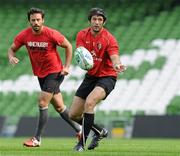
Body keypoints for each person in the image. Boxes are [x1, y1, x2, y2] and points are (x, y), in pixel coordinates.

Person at [7, 7, 81, 147]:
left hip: (55, 72)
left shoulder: (51, 33)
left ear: (43, 20)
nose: (36, 22)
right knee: (59, 107)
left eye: (38, 20)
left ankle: (37, 139)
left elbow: (68, 46)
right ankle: (80, 129)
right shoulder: (24, 35)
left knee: (42, 102)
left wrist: (66, 66)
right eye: (33, 20)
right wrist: (11, 57)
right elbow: (12, 49)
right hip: (41, 74)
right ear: (29, 21)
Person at [69, 7, 126, 151]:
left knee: (90, 103)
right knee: (73, 114)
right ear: (90, 21)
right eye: (94, 19)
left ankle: (80, 144)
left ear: (104, 22)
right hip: (91, 76)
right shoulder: (82, 35)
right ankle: (100, 131)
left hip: (107, 76)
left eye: (100, 20)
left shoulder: (109, 38)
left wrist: (117, 64)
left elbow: (114, 56)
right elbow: (81, 54)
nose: (96, 22)